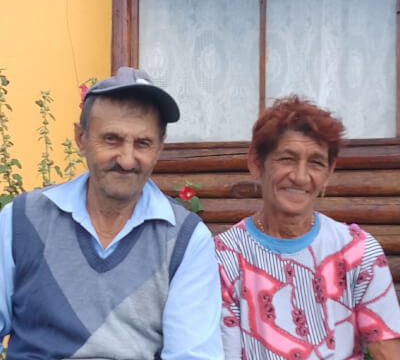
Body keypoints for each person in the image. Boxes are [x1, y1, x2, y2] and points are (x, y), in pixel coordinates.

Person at [0, 67, 224, 359]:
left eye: (143, 143)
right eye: (112, 139)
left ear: (160, 147)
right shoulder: (21, 219)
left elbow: (192, 355)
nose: (127, 159)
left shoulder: (186, 239)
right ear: (81, 138)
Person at [214, 96, 400, 359]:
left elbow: (387, 352)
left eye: (316, 162)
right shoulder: (223, 257)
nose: (301, 177)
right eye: (287, 159)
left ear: (329, 171)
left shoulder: (358, 251)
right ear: (257, 163)